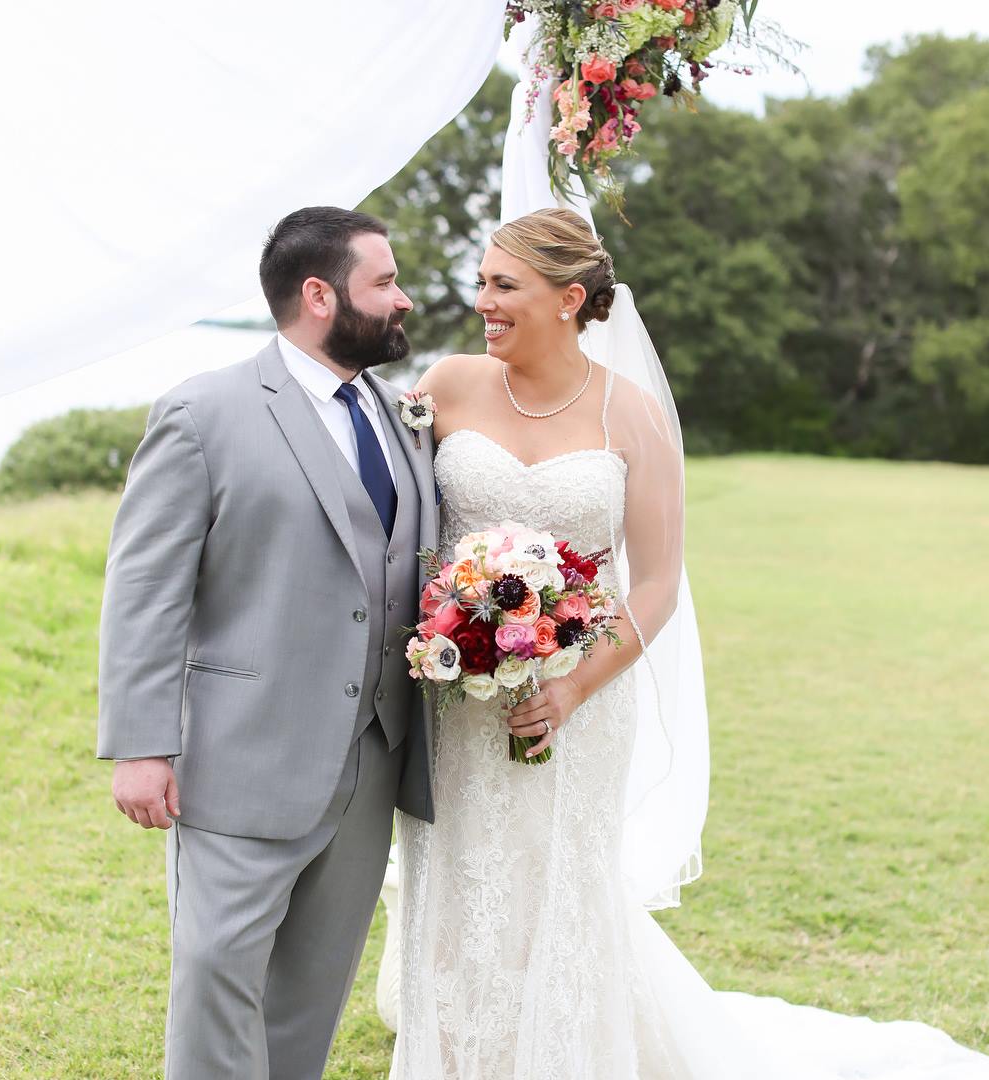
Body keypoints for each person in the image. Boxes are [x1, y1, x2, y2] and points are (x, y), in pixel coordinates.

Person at [389, 208, 989, 1080]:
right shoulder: (445, 385)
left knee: (559, 891)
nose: (482, 300)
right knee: (459, 888)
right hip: (454, 702)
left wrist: (570, 688)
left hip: (576, 700)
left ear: (568, 298)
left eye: (502, 285)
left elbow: (660, 582)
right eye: (481, 281)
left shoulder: (630, 414)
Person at [97, 206, 439, 1080]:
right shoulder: (204, 412)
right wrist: (140, 744)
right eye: (386, 281)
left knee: (311, 994)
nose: (404, 298)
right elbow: (145, 589)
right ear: (320, 295)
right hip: (242, 753)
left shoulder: (402, 416)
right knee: (217, 974)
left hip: (372, 755)